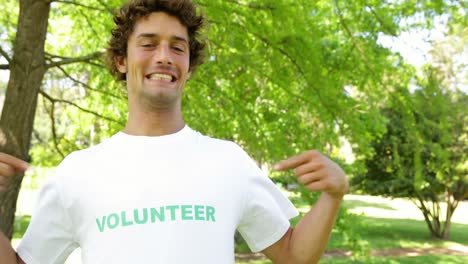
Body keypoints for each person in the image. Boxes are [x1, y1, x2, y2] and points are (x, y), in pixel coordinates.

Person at [0, 0, 348, 263]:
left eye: (177, 47)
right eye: (148, 44)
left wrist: (332, 196)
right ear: (122, 60)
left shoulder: (228, 161)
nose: (164, 56)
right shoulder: (76, 172)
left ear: (189, 67)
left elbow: (293, 254)